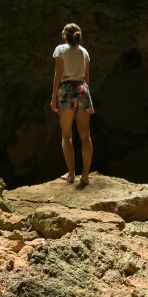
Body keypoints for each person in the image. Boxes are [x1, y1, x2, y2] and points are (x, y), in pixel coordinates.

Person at [50, 22, 94, 184]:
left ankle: (71, 174)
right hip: (82, 90)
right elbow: (86, 78)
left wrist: (54, 97)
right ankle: (85, 175)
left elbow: (58, 75)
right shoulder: (84, 52)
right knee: (85, 136)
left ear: (65, 35)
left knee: (67, 135)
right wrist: (89, 100)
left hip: (66, 90)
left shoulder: (60, 50)